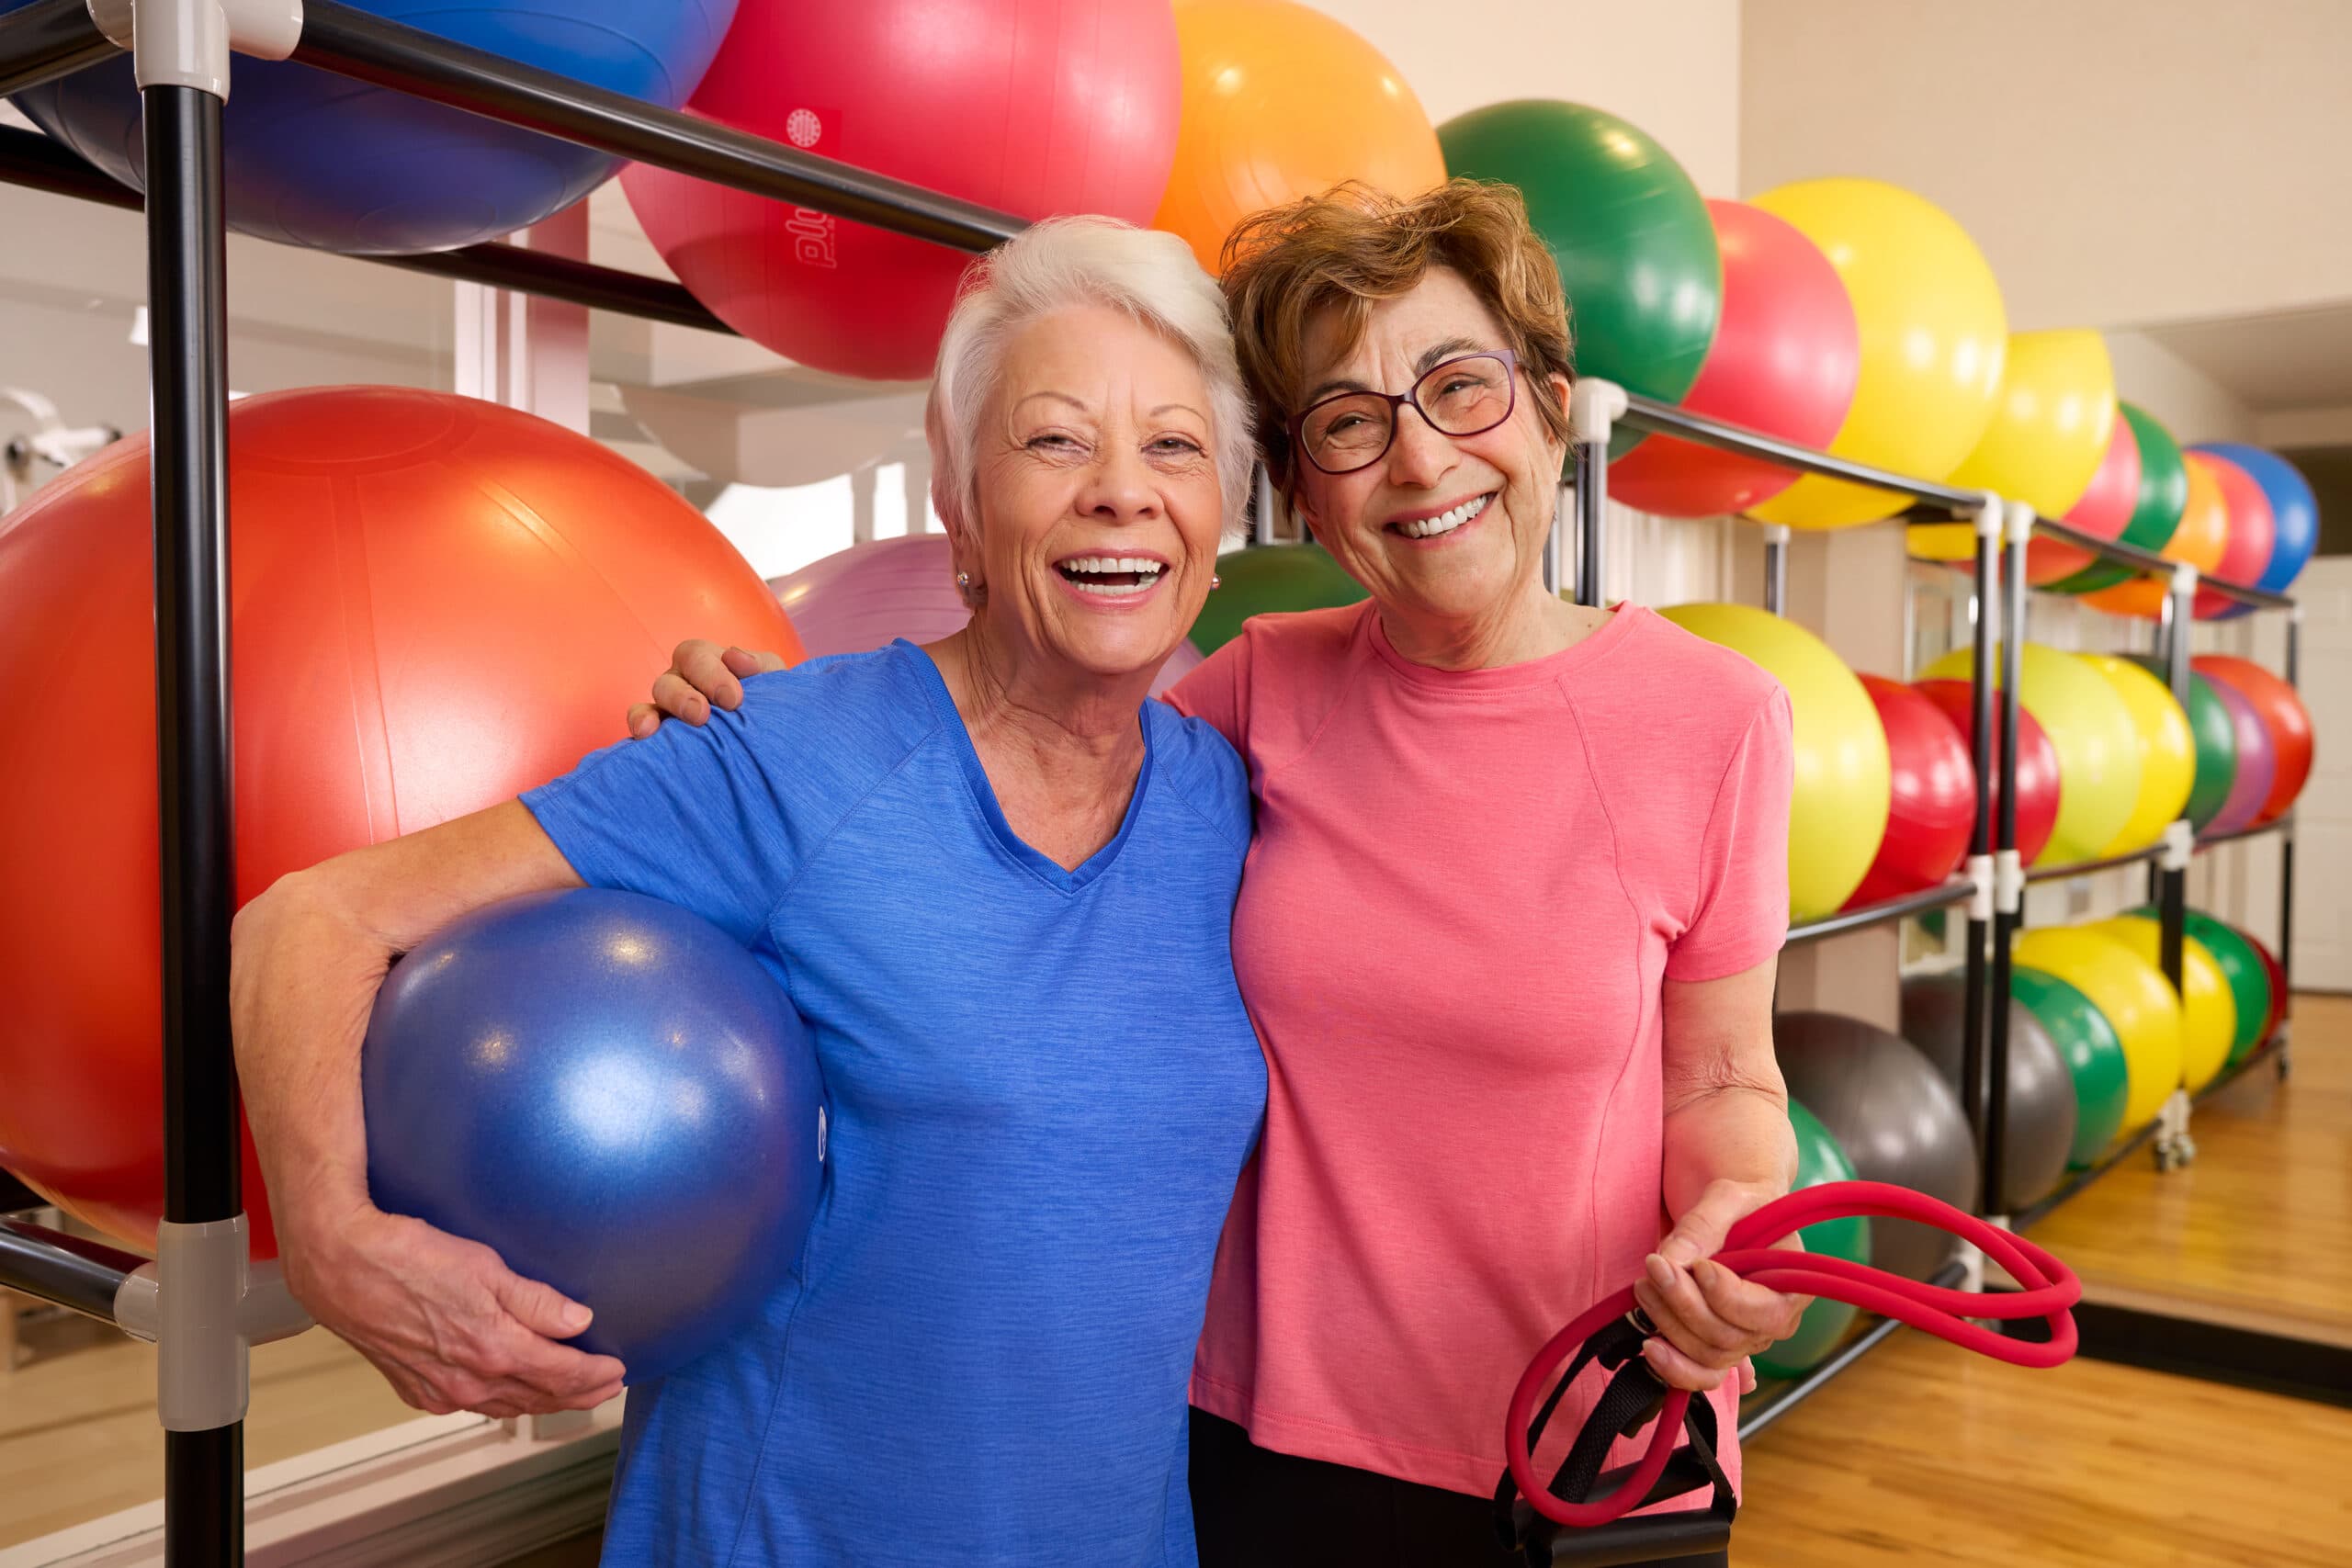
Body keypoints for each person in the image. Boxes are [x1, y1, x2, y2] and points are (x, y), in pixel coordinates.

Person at [645, 181, 1807, 1568]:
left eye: (1460, 388)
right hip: (1267, 1452)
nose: (1422, 462)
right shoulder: (1256, 693)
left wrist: (1742, 1220)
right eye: (1349, 424)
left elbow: (1725, 1081)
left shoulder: (1721, 718)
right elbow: (1005, 765)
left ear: (1551, 404)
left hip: (1591, 1441)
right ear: (1307, 493)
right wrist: (763, 722)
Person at [228, 217, 1268, 1566]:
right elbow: (308, 920)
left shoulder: (1229, 800)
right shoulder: (790, 755)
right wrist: (333, 1243)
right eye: (1054, 439)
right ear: (956, 497)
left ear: (1223, 506)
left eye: (1173, 445)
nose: (1121, 491)